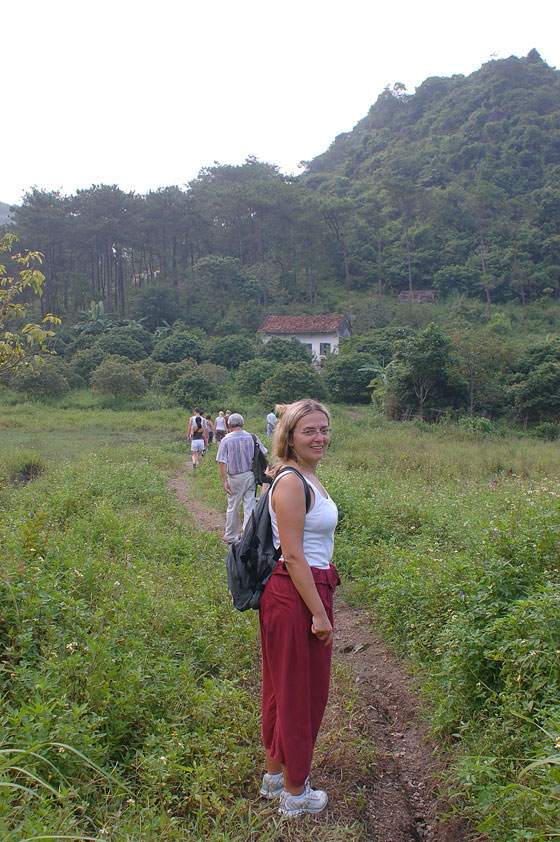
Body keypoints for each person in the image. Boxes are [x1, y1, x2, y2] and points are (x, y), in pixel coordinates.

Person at [258, 399, 339, 817]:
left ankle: (275, 777)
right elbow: (292, 555)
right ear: (288, 436)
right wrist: (320, 614)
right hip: (296, 593)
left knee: (281, 686)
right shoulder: (292, 481)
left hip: (304, 588)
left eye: (323, 429)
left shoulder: (306, 475)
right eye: (309, 430)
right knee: (300, 693)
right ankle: (295, 793)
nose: (319, 437)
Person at [215, 413, 267, 544]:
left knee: (233, 506)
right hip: (250, 475)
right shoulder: (252, 437)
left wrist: (224, 481)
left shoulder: (226, 440)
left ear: (229, 425)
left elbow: (222, 461)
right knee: (249, 506)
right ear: (242, 424)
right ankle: (247, 536)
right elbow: (264, 452)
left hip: (234, 477)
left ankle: (231, 536)